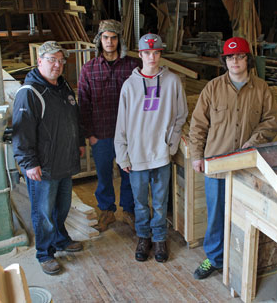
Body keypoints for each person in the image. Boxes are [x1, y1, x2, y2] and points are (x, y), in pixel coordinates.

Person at [189, 37, 277, 279]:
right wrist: (197, 156)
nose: (235, 61)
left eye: (239, 56)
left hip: (248, 166)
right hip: (217, 165)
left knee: (246, 214)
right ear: (225, 61)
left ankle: (242, 261)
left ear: (248, 60)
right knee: (216, 214)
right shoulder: (213, 88)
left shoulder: (262, 89)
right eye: (230, 57)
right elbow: (198, 124)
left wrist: (256, 140)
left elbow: (271, 121)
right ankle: (215, 258)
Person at [13, 41, 86, 275]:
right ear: (40, 61)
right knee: (43, 213)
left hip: (64, 161)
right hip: (43, 167)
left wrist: (78, 142)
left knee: (62, 208)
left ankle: (60, 239)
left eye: (60, 60)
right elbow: (22, 132)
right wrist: (29, 163)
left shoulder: (63, 87)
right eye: (52, 60)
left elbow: (73, 118)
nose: (57, 65)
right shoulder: (29, 93)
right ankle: (44, 254)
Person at [115, 33, 188, 263]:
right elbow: (121, 123)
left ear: (160, 54)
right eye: (147, 53)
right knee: (140, 203)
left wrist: (171, 144)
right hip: (137, 155)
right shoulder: (129, 85)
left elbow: (181, 115)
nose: (152, 57)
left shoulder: (172, 81)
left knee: (160, 201)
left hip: (161, 154)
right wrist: (122, 155)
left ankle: (159, 239)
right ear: (140, 55)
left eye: (156, 53)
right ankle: (143, 236)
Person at [78, 19, 139, 232]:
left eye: (114, 38)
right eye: (106, 37)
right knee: (103, 175)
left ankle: (129, 210)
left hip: (128, 134)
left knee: (129, 174)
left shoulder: (133, 66)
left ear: (119, 40)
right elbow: (83, 103)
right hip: (101, 134)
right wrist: (90, 134)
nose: (110, 42)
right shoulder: (89, 68)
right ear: (99, 40)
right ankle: (107, 211)